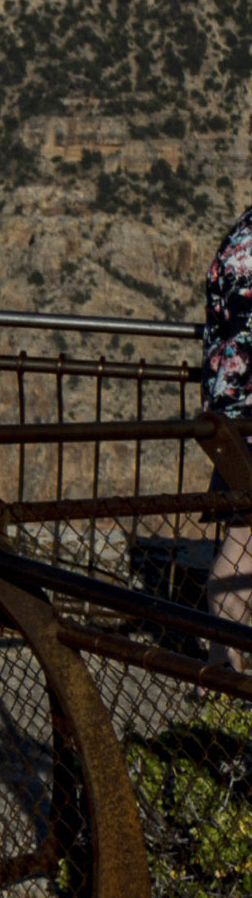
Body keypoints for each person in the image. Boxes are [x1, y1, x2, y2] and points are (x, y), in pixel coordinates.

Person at [205, 194, 252, 629]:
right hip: (246, 425)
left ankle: (224, 673)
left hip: (234, 421)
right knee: (240, 550)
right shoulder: (249, 245)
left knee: (241, 545)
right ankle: (222, 673)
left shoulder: (242, 234)